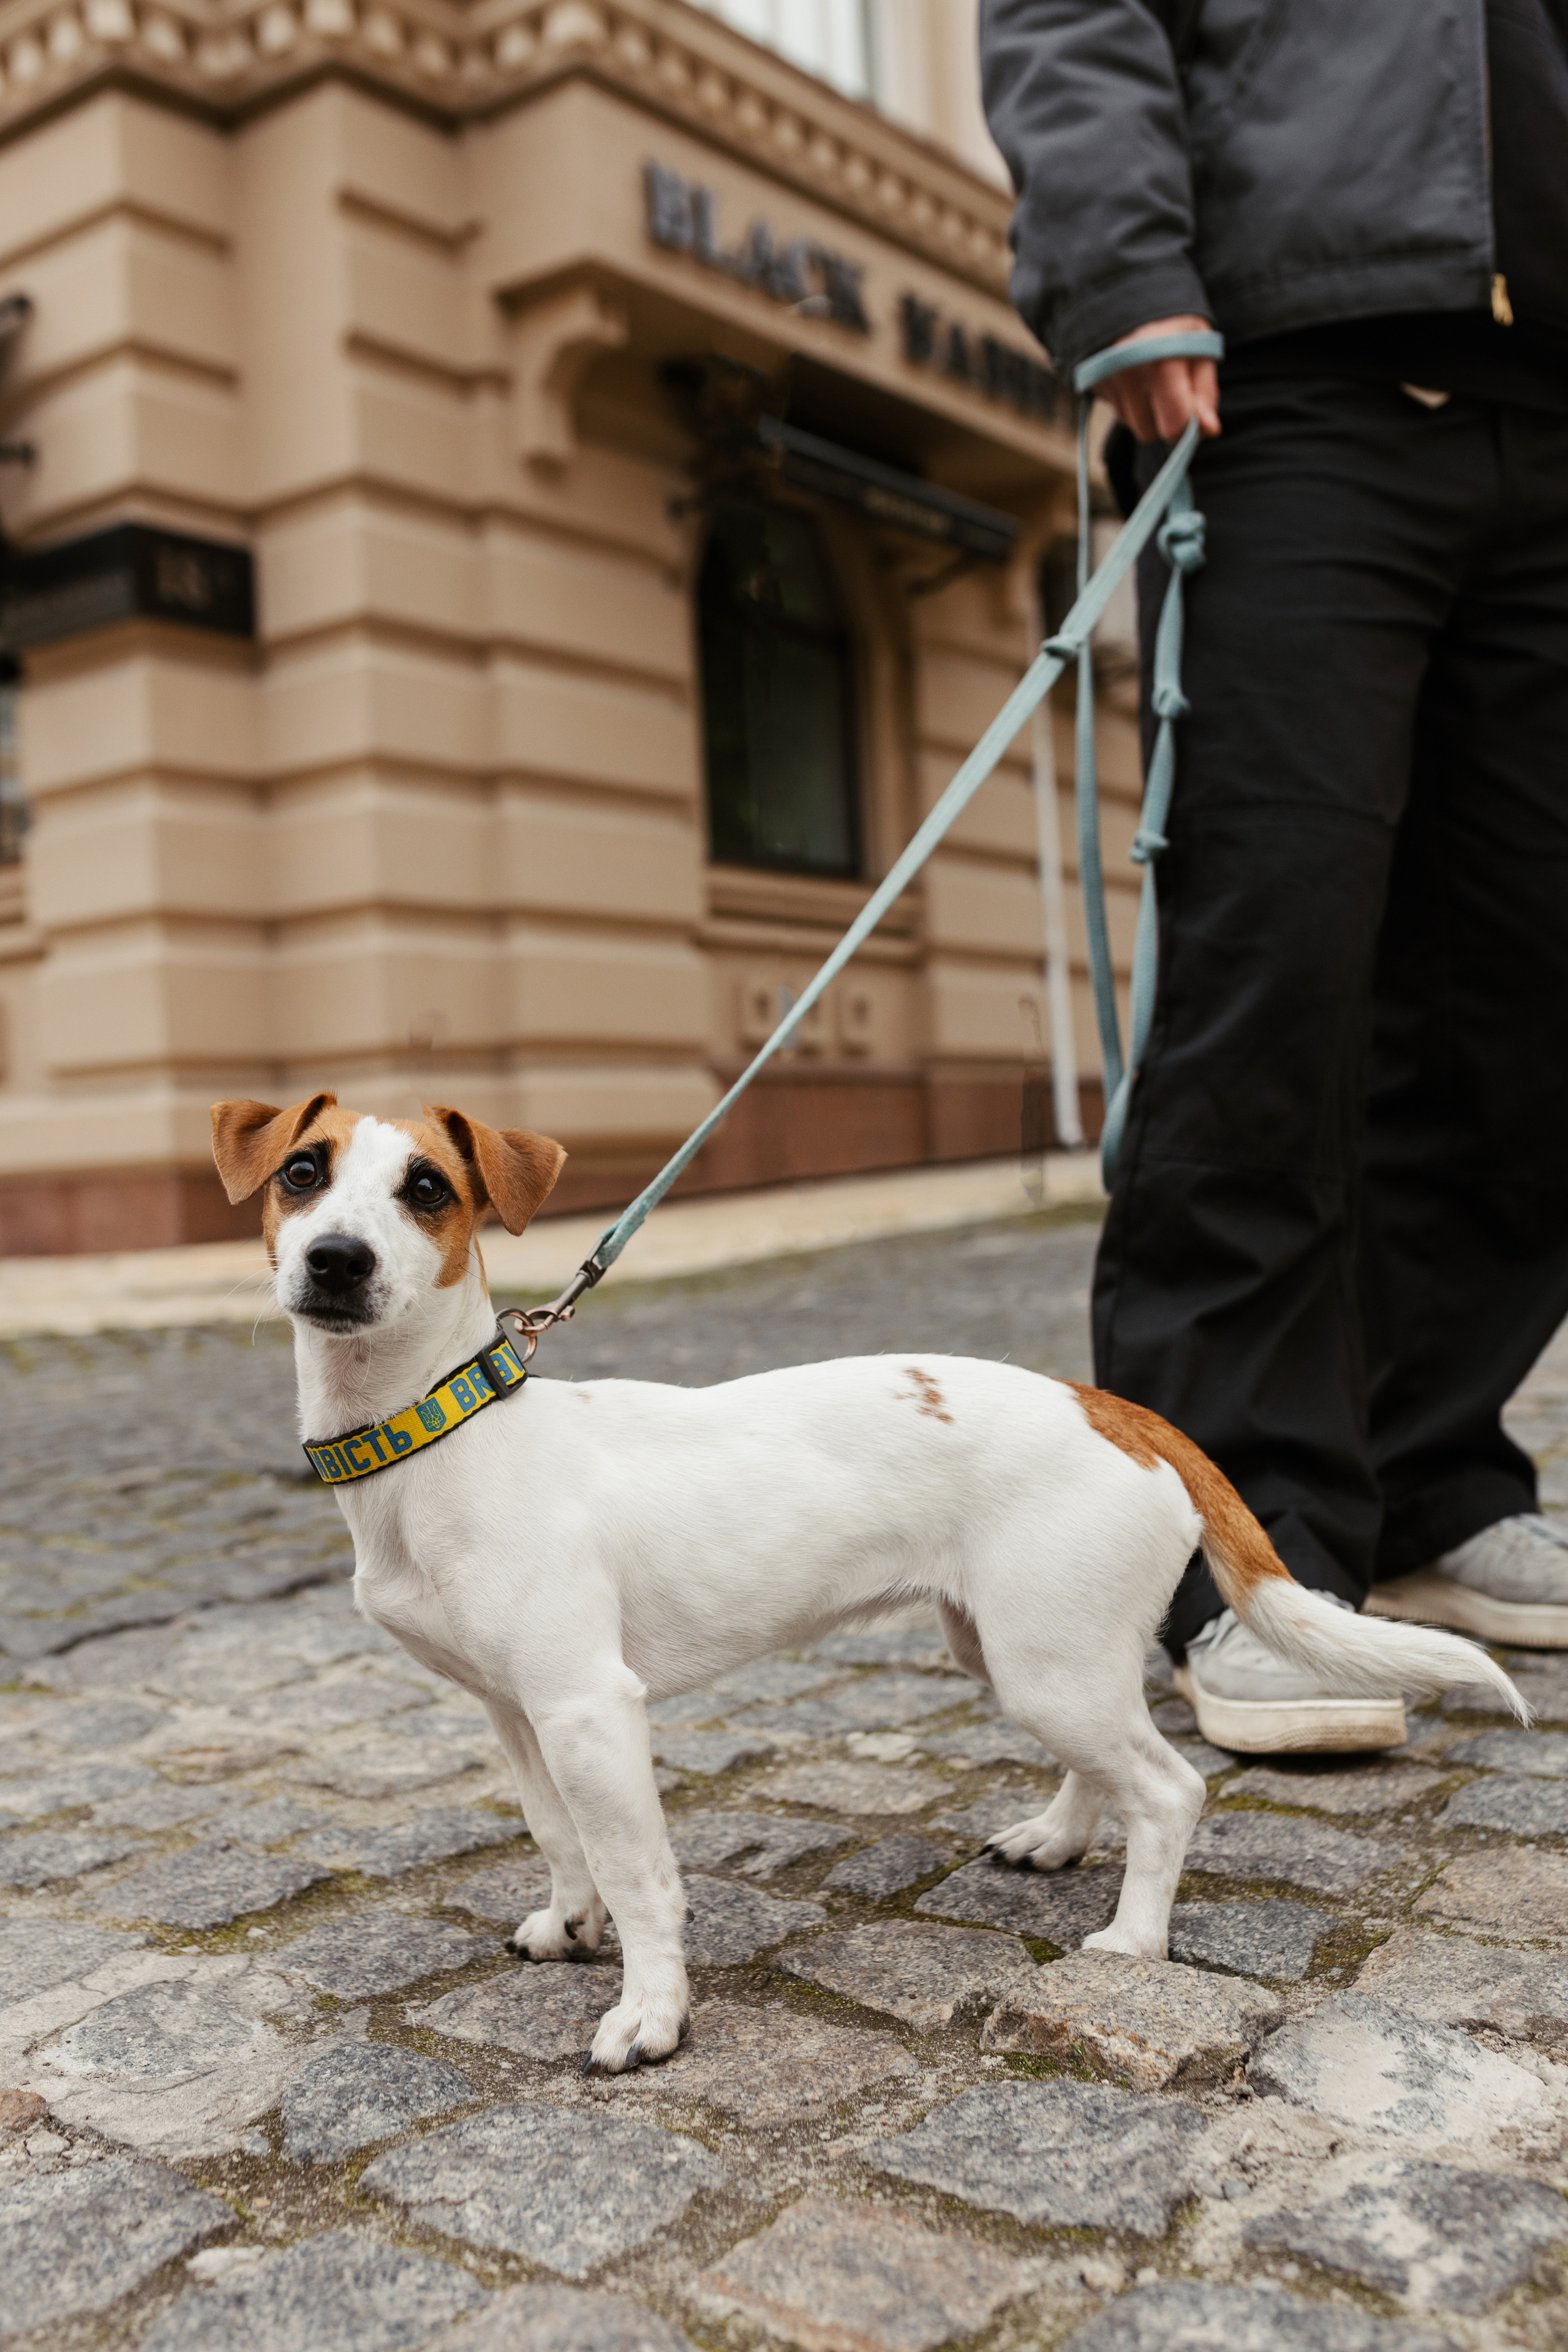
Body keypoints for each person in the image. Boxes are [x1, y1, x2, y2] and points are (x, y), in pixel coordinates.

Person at [981, 0, 1568, 1751]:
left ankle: (1426, 1483)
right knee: (1276, 976)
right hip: (1284, 392)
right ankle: (1237, 1553)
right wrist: (1123, 272)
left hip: (1557, 420)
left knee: (1530, 985)